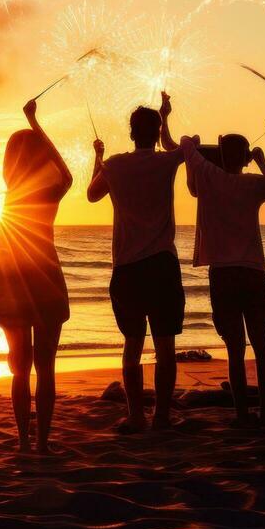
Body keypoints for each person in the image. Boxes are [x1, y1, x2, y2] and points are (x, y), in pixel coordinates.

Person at [88, 93, 184, 433]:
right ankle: (160, 416)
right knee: (165, 346)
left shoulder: (115, 165)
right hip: (161, 265)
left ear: (131, 133)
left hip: (127, 267)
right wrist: (167, 116)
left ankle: (135, 415)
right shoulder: (166, 161)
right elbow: (183, 148)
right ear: (156, 133)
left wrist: (98, 158)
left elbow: (92, 194)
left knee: (132, 345)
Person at [181, 133, 265, 428]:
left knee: (234, 349)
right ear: (244, 159)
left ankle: (241, 414)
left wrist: (197, 142)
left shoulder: (209, 175)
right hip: (253, 271)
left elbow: (185, 144)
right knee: (261, 345)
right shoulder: (252, 183)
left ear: (220, 155)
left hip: (223, 273)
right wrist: (263, 161)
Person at [0, 97, 74, 453]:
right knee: (45, 366)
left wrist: (32, 125)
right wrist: (36, 124)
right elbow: (67, 173)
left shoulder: (7, 198)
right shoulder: (46, 193)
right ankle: (40, 443)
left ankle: (25, 441)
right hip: (45, 280)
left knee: (20, 368)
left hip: (10, 283)